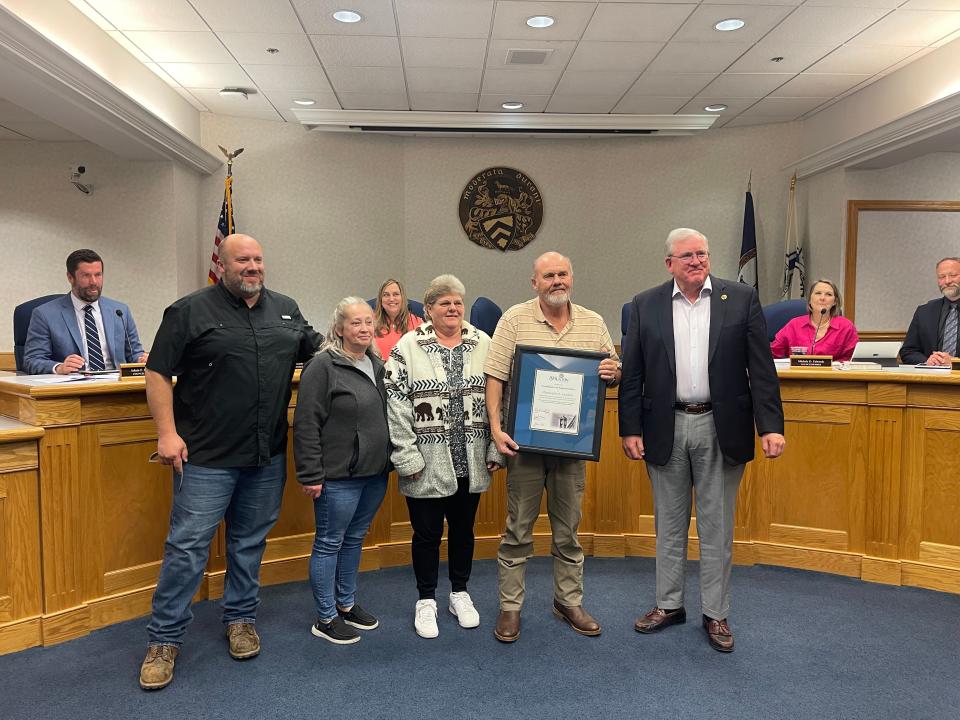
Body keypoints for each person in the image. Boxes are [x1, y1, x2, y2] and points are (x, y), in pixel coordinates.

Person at [138, 234, 320, 691]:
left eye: (259, 258)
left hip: (266, 455)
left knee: (248, 543)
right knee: (187, 548)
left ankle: (240, 619)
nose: (253, 266)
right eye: (243, 259)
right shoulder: (189, 310)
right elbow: (158, 371)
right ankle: (164, 640)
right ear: (221, 263)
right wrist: (166, 432)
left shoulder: (286, 309)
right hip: (205, 457)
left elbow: (321, 352)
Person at [619, 228, 785, 653]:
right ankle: (668, 604)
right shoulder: (645, 304)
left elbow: (761, 369)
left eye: (702, 253)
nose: (696, 261)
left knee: (717, 527)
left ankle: (716, 613)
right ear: (669, 263)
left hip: (721, 425)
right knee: (668, 526)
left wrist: (771, 425)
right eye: (686, 255)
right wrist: (630, 428)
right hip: (665, 426)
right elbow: (633, 372)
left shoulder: (741, 299)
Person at [485, 252, 621, 643]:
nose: (557, 280)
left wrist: (615, 372)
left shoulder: (593, 322)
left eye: (563, 273)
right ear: (535, 282)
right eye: (548, 276)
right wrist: (495, 428)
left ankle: (568, 601)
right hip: (524, 445)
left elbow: (611, 371)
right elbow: (495, 377)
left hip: (572, 448)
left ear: (571, 278)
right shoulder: (514, 319)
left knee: (569, 530)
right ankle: (510, 608)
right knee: (518, 529)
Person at [385, 275, 502, 639]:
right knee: (426, 534)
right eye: (444, 304)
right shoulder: (407, 347)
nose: (452, 309)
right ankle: (426, 599)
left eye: (457, 303)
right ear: (430, 309)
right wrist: (406, 455)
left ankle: (460, 593)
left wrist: (497, 446)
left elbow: (503, 394)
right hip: (425, 460)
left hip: (472, 456)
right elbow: (396, 402)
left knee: (464, 531)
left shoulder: (484, 342)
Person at [294, 298, 391, 645]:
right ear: (338, 329)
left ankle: (346, 604)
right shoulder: (323, 366)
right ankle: (325, 616)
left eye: (368, 322)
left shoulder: (376, 363)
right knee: (329, 542)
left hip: (375, 472)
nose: (364, 329)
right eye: (355, 323)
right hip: (337, 476)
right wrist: (310, 474)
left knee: (354, 539)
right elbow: (306, 423)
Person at [22, 248, 147, 374]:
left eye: (98, 275)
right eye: (86, 276)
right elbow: (32, 360)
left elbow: (134, 353)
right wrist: (59, 367)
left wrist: (141, 359)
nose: (94, 282)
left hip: (116, 384)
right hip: (75, 387)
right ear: (70, 277)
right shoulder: (45, 314)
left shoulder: (120, 311)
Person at [770, 279, 859, 361]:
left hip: (833, 377)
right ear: (809, 300)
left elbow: (853, 359)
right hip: (797, 376)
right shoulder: (794, 325)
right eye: (818, 293)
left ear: (835, 302)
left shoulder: (846, 327)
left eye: (828, 294)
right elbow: (772, 353)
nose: (822, 298)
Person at [900, 257, 960, 366]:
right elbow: (908, 351)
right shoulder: (924, 312)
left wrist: (955, 363)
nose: (947, 281)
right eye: (941, 277)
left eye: (953, 275)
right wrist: (927, 361)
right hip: (930, 379)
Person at [374, 278, 423, 358]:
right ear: (380, 299)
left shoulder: (418, 323)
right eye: (386, 295)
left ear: (402, 298)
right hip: (379, 369)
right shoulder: (370, 322)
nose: (391, 299)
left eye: (396, 294)